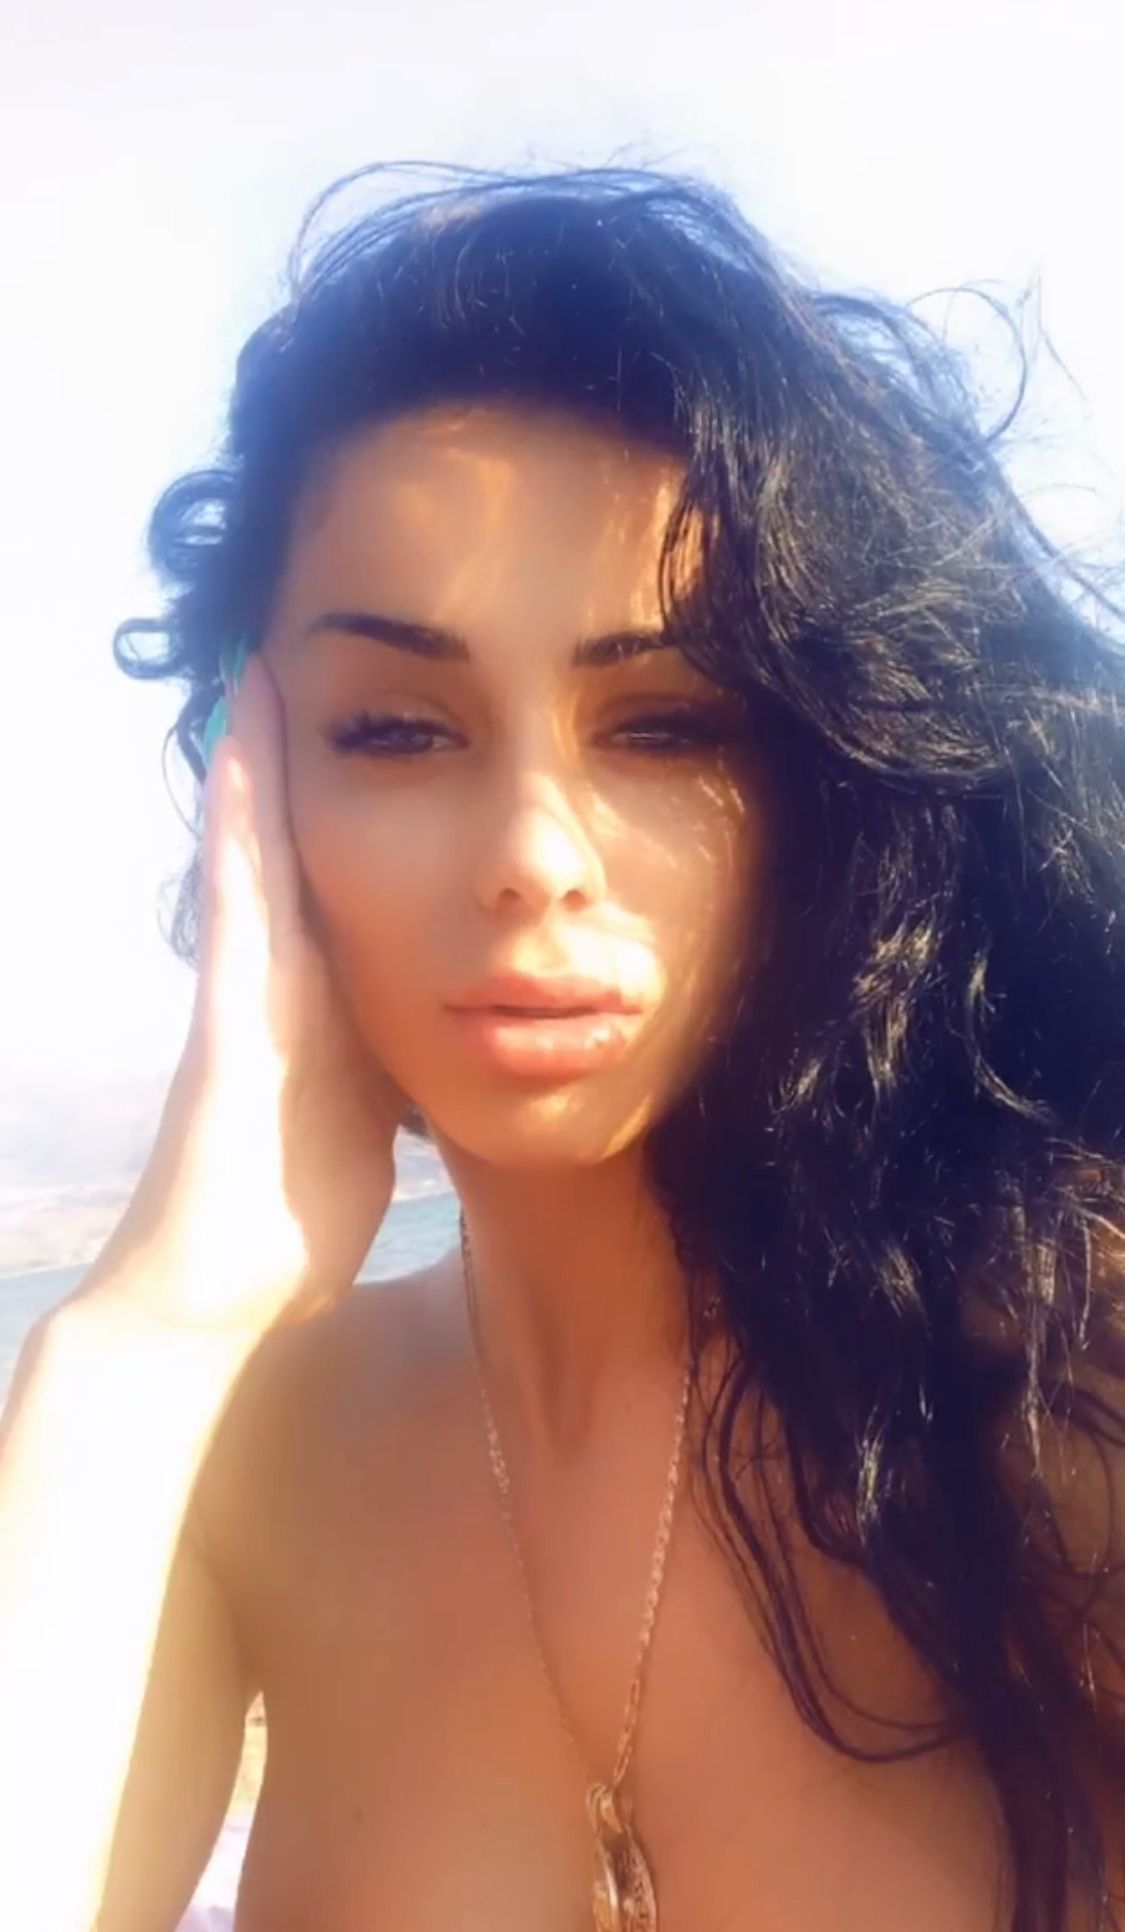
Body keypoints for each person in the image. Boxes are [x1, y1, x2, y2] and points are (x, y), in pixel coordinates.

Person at [1, 159, 1122, 1932]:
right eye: (396, 729)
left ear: (830, 779)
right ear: (249, 783)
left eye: (666, 726)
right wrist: (144, 1337)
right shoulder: (238, 1458)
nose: (534, 853)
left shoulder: (1052, 1392)